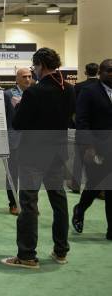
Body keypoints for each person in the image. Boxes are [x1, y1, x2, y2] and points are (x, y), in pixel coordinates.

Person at [1, 48, 75, 269]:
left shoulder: (34, 92)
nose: (32, 72)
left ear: (41, 64)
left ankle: (26, 256)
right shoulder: (70, 89)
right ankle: (61, 251)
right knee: (59, 200)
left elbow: (19, 123)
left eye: (34, 67)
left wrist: (19, 106)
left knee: (29, 203)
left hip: (33, 154)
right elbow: (69, 118)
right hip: (58, 153)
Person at [72, 59, 112, 240]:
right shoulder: (89, 91)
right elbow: (81, 120)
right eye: (110, 70)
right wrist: (89, 147)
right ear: (101, 72)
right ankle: (80, 209)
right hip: (95, 147)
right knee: (96, 185)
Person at [3, 68, 32, 216]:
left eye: (29, 76)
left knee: (30, 174)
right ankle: (13, 203)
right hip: (13, 140)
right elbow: (4, 118)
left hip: (31, 141)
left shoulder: (35, 93)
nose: (27, 79)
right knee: (12, 174)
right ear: (17, 79)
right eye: (24, 77)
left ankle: (29, 204)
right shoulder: (8, 95)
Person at [68, 63, 100, 193]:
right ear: (98, 72)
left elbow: (74, 107)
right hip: (100, 128)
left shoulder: (79, 87)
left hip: (82, 127)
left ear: (85, 72)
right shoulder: (103, 87)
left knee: (79, 158)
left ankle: (75, 184)